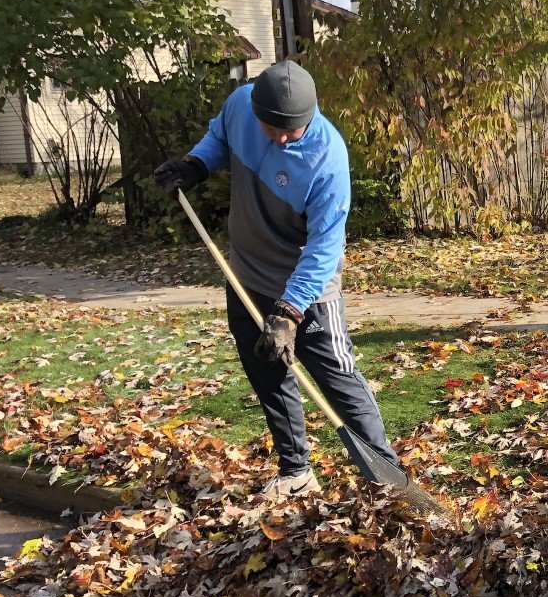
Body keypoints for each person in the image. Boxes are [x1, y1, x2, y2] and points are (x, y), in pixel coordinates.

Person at [153, 60, 399, 495]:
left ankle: (388, 479)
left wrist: (289, 312)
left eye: (293, 130)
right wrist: (196, 165)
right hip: (247, 274)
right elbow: (219, 136)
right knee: (269, 375)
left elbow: (325, 249)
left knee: (338, 379)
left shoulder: (327, 159)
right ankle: (296, 472)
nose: (283, 138)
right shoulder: (240, 108)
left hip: (308, 291)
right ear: (255, 109)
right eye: (274, 128)